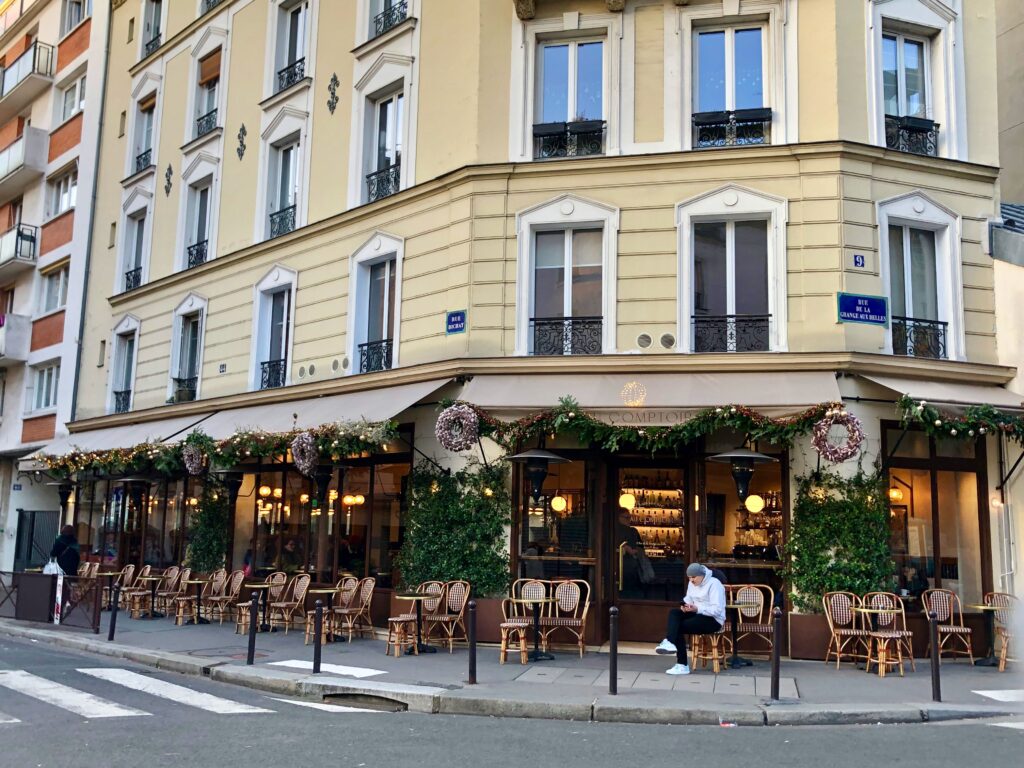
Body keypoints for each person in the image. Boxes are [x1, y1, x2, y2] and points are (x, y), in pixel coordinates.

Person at [654, 563, 726, 675]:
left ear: (702, 575)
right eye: (689, 578)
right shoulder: (692, 584)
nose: (691, 580)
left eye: (694, 577)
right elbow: (689, 598)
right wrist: (686, 606)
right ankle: (669, 642)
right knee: (674, 613)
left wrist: (697, 608)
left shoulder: (714, 584)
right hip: (696, 612)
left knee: (679, 627)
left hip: (713, 620)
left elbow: (717, 609)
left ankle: (682, 664)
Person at [616, 510, 643, 598]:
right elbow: (638, 548)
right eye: (626, 518)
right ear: (618, 518)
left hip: (615, 567)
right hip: (629, 567)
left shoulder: (609, 530)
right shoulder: (631, 531)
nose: (629, 520)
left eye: (630, 517)